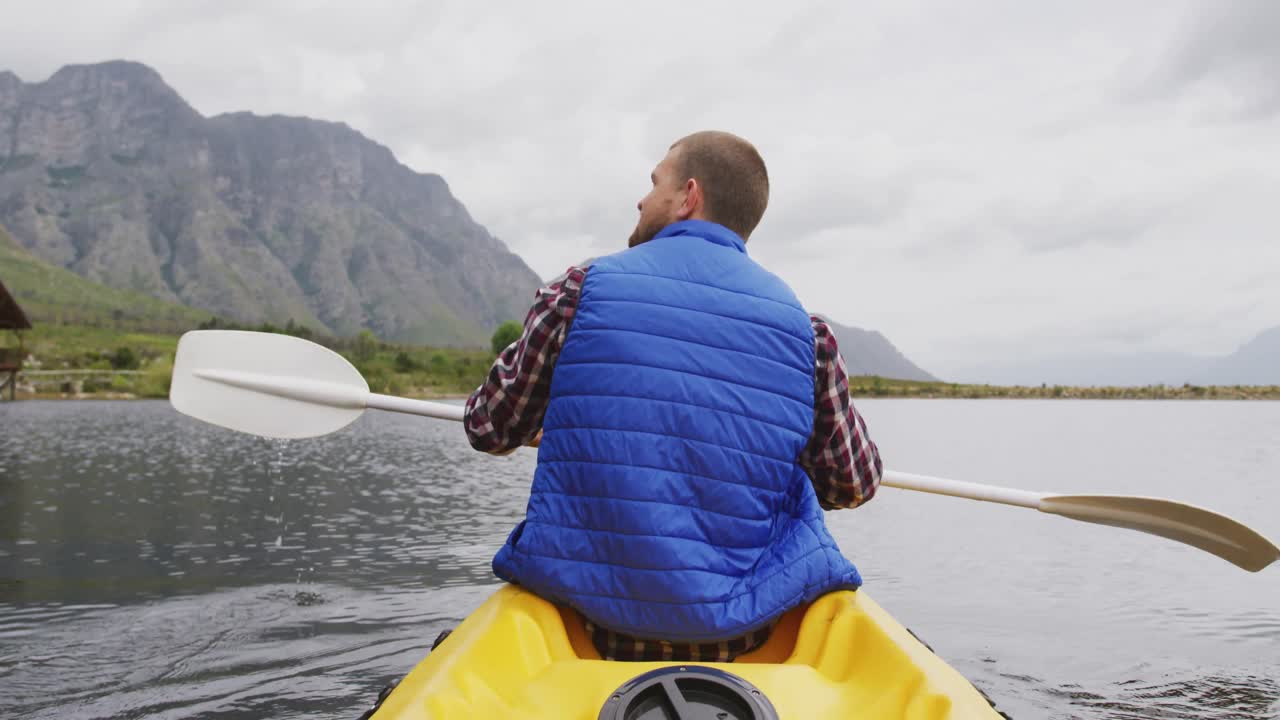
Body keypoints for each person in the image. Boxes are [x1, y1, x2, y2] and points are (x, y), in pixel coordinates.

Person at [464, 130, 882, 662]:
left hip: (587, 624)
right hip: (744, 632)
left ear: (688, 196)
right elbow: (852, 485)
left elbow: (489, 428)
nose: (641, 199)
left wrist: (565, 420)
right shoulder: (808, 334)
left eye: (654, 182)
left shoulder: (575, 292)